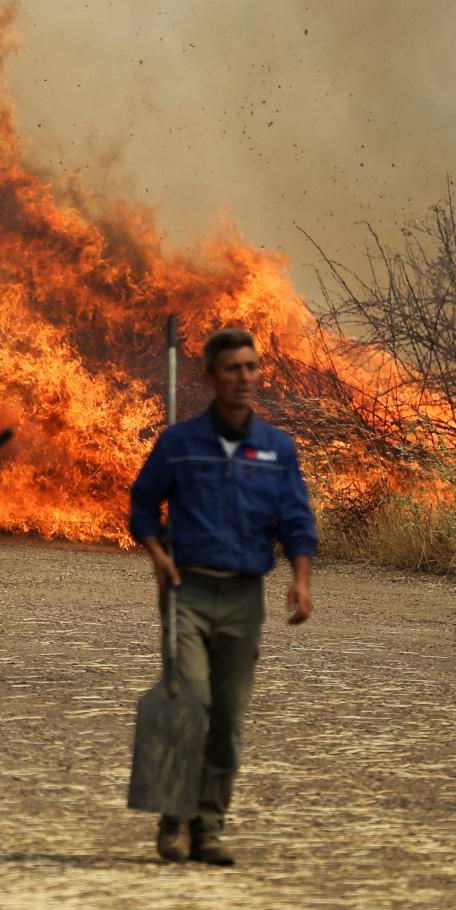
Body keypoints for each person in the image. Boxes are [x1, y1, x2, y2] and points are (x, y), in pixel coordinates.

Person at [128, 326, 316, 866]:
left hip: (243, 598)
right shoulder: (179, 444)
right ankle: (174, 822)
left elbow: (296, 519)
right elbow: (143, 504)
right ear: (210, 376)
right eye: (233, 368)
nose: (245, 377)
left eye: (252, 367)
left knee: (229, 720)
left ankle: (208, 828)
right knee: (189, 701)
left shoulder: (277, 449)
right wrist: (157, 553)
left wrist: (300, 580)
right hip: (187, 591)